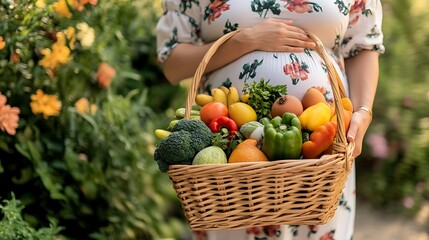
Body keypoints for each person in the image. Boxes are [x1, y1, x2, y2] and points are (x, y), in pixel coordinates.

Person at [156, 0, 385, 239]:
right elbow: (172, 64)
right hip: (228, 168)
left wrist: (363, 111)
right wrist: (244, 41)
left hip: (323, 158)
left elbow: (363, 44)